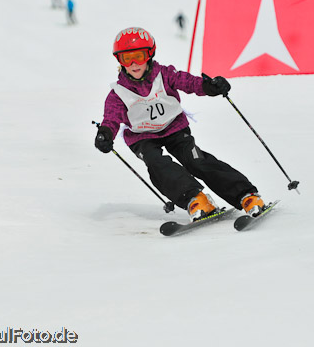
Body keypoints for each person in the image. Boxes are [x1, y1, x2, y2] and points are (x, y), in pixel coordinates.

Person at [94, 27, 265, 222]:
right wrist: (105, 134)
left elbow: (189, 82)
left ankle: (245, 195)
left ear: (149, 54)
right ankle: (196, 199)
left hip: (174, 128)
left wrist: (209, 87)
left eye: (139, 56)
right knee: (157, 164)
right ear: (119, 61)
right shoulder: (118, 93)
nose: (133, 64)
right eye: (126, 58)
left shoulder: (164, 74)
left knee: (195, 159)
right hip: (142, 138)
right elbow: (111, 118)